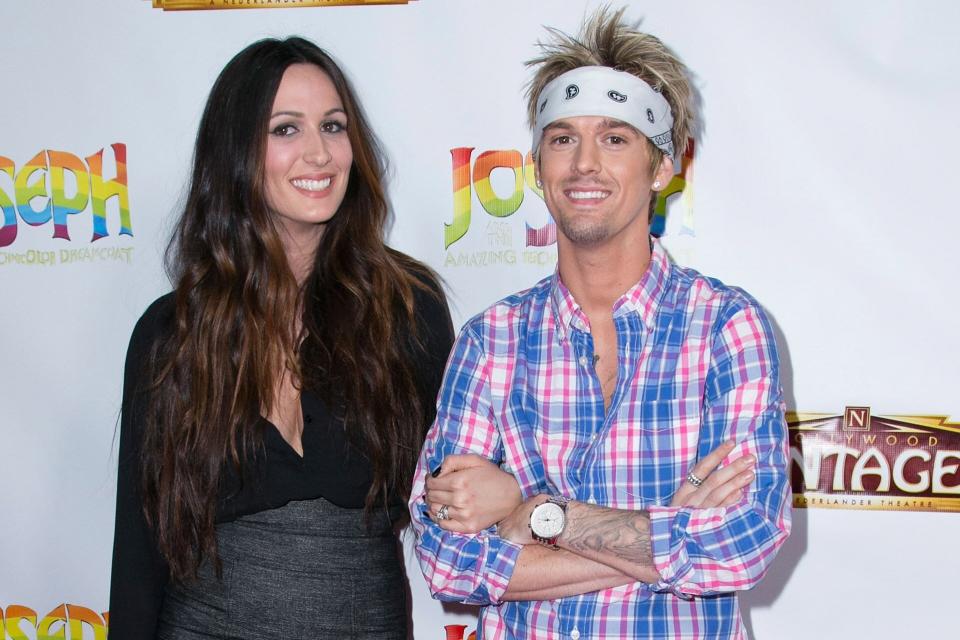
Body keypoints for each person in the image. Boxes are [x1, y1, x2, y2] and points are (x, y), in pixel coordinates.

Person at [409, 7, 791, 639]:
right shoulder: (491, 339)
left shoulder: (728, 326)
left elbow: (741, 544)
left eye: (615, 138)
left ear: (663, 167)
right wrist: (666, 526)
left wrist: (540, 515)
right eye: (563, 139)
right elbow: (449, 563)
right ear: (537, 167)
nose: (585, 163)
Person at [109, 37, 454, 639]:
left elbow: (452, 493)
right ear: (236, 151)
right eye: (286, 129)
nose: (319, 153)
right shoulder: (172, 335)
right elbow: (140, 556)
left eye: (333, 125)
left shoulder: (408, 309)